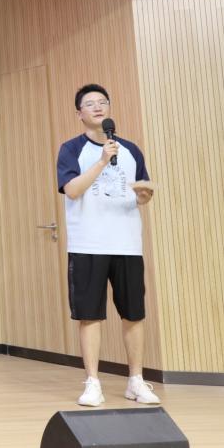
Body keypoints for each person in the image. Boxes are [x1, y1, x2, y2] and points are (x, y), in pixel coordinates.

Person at [57, 84, 159, 407]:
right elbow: (72, 190)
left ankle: (136, 381)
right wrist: (102, 161)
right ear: (79, 114)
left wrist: (144, 196)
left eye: (103, 102)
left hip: (127, 244)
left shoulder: (130, 150)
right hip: (88, 243)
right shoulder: (71, 149)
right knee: (90, 315)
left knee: (134, 313)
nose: (98, 107)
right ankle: (93, 383)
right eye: (90, 104)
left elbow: (139, 192)